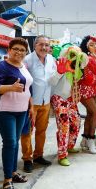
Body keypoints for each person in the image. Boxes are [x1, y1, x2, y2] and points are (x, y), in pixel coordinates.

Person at [0, 37, 33, 189]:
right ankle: (7, 179)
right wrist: (10, 87)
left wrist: (31, 107)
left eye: (22, 50)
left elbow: (28, 88)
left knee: (15, 143)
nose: (19, 52)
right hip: (4, 111)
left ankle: (13, 172)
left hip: (21, 111)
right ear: (9, 50)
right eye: (16, 49)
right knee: (10, 143)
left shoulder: (23, 66)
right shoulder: (1, 67)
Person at [21, 35, 56, 173]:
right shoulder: (27, 60)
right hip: (31, 103)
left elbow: (53, 79)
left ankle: (38, 155)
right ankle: (27, 159)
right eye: (40, 44)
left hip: (45, 101)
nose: (44, 47)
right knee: (27, 132)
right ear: (35, 45)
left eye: (46, 45)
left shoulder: (51, 60)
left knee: (42, 130)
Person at [50, 45, 88, 166]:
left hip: (71, 99)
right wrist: (60, 71)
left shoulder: (78, 67)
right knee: (64, 126)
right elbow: (51, 82)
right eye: (72, 54)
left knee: (76, 122)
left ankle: (70, 145)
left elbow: (84, 64)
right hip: (59, 97)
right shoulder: (59, 64)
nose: (74, 58)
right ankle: (62, 154)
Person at [78, 35, 96, 153]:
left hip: (94, 89)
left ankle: (84, 139)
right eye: (92, 45)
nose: (95, 47)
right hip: (85, 89)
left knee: (90, 114)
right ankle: (91, 140)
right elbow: (89, 78)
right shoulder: (84, 57)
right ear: (86, 46)